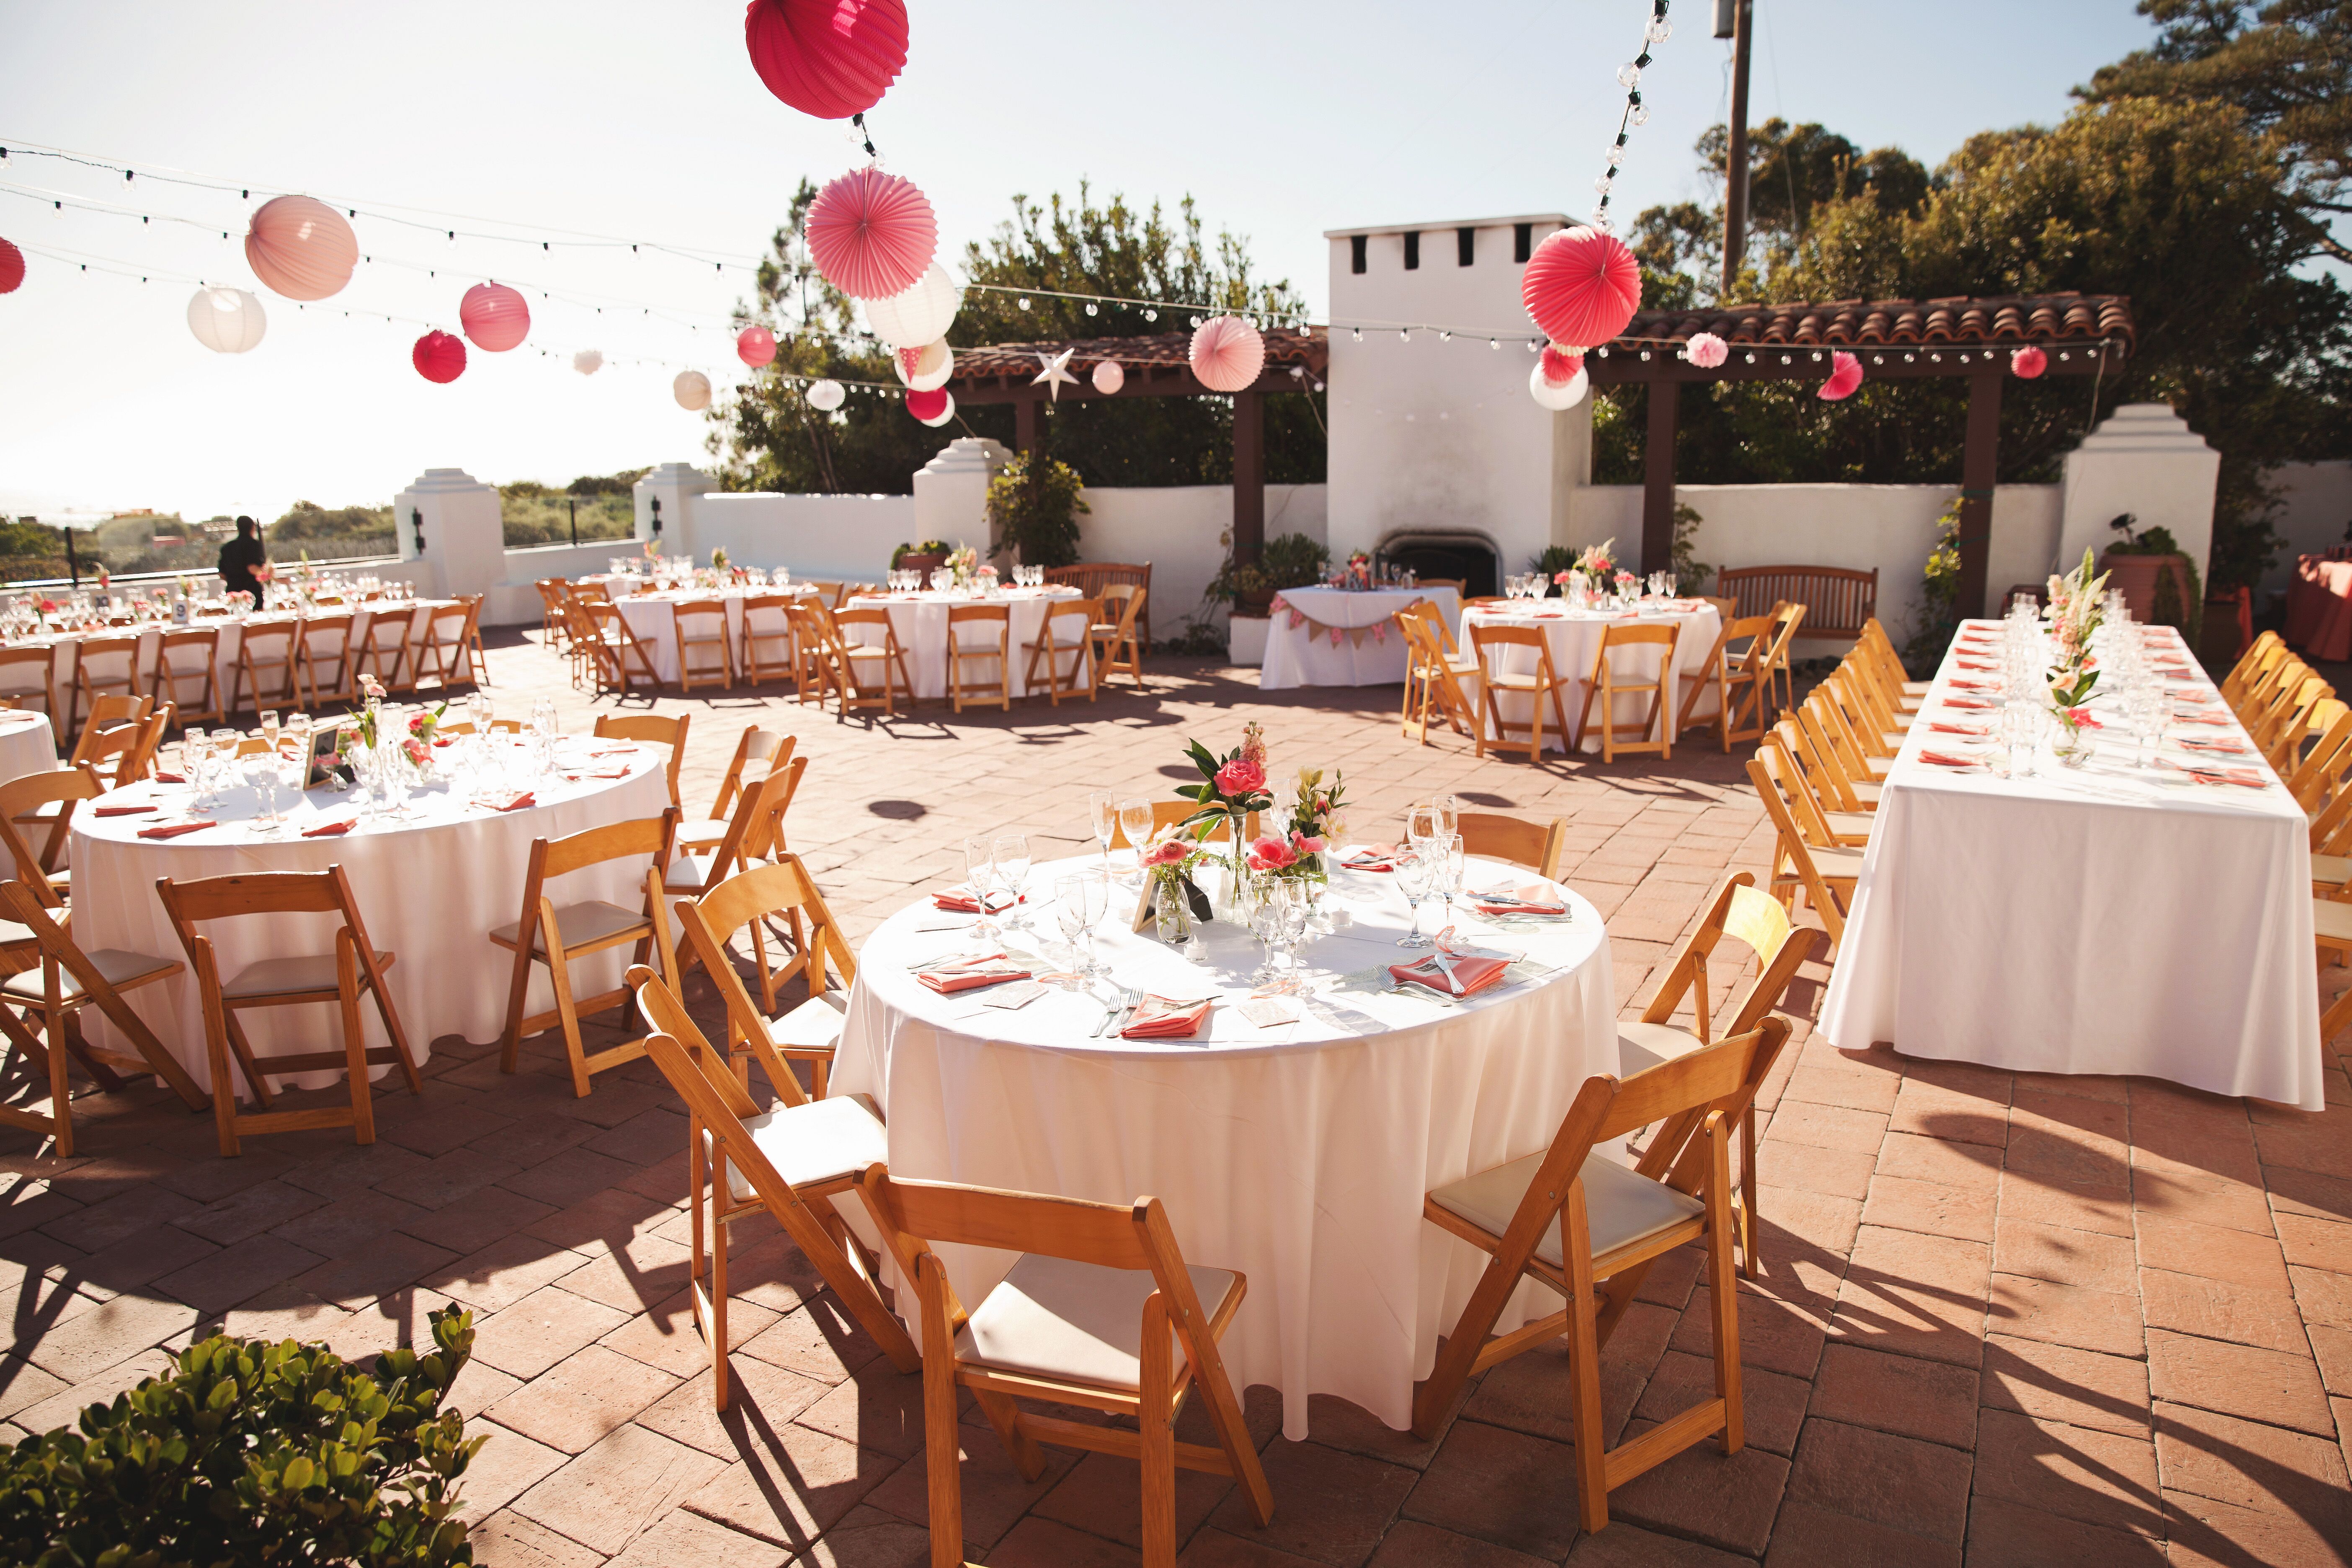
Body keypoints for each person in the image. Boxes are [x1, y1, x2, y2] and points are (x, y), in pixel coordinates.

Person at [217, 516, 267, 603]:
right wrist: (267, 575)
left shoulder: (227, 547)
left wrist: (234, 580)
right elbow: (252, 568)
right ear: (253, 527)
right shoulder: (254, 544)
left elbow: (222, 574)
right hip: (252, 594)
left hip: (233, 594)